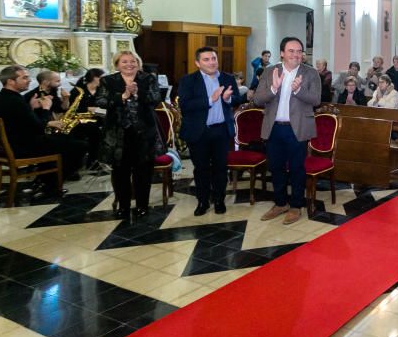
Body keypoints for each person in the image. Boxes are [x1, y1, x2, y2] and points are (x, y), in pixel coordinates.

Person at [0, 65, 85, 199]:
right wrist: (45, 108)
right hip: (21, 148)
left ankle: (43, 180)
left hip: (3, 149)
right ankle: (50, 186)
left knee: (60, 140)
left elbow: (21, 123)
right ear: (10, 81)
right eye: (24, 77)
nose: (29, 80)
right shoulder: (16, 101)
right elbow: (38, 127)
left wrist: (31, 108)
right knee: (79, 146)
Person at [253, 37, 321, 225]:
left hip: (297, 128)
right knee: (276, 167)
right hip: (274, 127)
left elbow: (316, 100)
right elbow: (258, 99)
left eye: (299, 51)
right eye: (291, 51)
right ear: (282, 53)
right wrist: (274, 88)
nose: (296, 55)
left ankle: (296, 206)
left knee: (297, 169)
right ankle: (280, 203)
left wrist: (298, 91)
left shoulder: (311, 73)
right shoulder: (269, 72)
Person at [96, 51, 163, 220]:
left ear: (138, 63)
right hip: (118, 134)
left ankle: (142, 206)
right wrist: (123, 96)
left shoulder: (148, 79)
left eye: (133, 61)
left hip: (144, 133)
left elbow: (156, 98)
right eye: (124, 62)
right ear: (117, 64)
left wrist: (138, 94)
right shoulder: (108, 80)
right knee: (120, 173)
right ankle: (124, 206)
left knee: (144, 173)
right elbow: (101, 101)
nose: (129, 64)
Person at [178, 47, 244, 216]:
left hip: (221, 131)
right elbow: (185, 106)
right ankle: (202, 201)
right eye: (206, 59)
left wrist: (228, 98)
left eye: (213, 58)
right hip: (199, 132)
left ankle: (219, 200)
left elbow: (237, 98)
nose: (212, 62)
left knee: (221, 168)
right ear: (197, 63)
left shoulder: (227, 78)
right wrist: (210, 99)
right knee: (201, 169)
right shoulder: (188, 80)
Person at [68, 68, 105, 168]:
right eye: (102, 78)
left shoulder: (101, 90)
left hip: (98, 118)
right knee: (94, 130)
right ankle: (92, 161)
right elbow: (73, 108)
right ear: (94, 78)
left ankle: (102, 159)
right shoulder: (78, 90)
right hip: (80, 119)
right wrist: (89, 108)